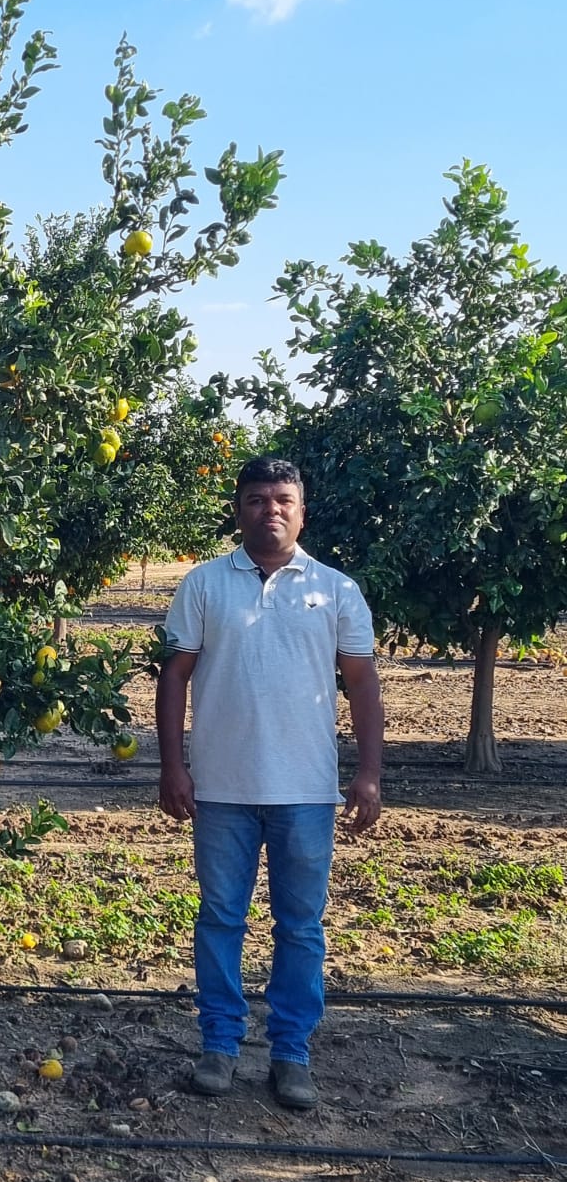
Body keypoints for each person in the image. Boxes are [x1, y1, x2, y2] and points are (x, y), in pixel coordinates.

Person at [155, 456, 384, 1110]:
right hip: (222, 790)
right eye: (256, 499)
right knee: (220, 919)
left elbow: (363, 684)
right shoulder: (203, 585)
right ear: (239, 509)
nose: (271, 510)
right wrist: (174, 766)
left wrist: (368, 773)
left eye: (283, 498)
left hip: (306, 792)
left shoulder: (337, 590)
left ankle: (291, 1054)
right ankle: (220, 1046)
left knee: (301, 927)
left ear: (302, 510)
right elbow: (174, 677)